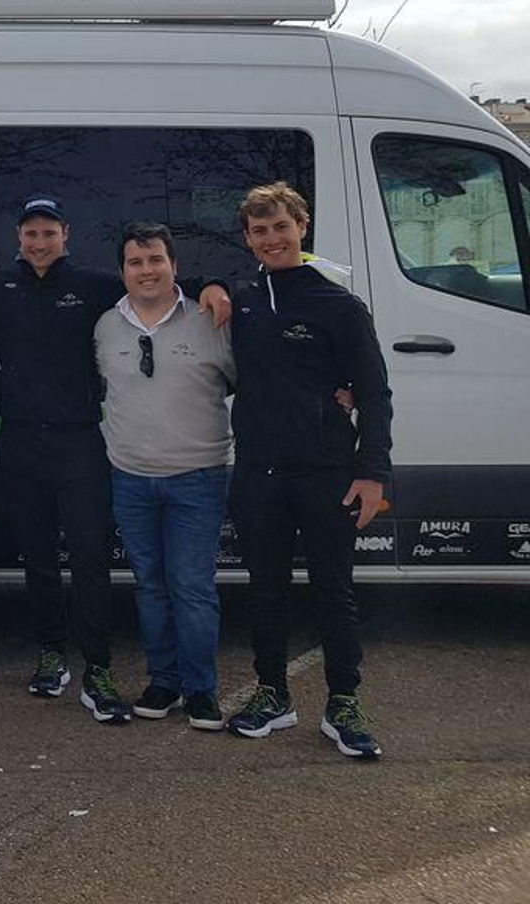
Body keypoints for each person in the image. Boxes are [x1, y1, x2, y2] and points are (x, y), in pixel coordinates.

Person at [0, 195, 229, 725]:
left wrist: (214, 283)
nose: (40, 242)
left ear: (65, 233)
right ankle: (51, 654)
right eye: (30, 233)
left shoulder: (94, 286)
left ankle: (98, 667)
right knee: (39, 559)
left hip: (81, 445)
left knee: (91, 559)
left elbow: (156, 287)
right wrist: (6, 390)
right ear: (18, 238)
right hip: (21, 442)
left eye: (49, 232)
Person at [223, 182, 393, 758]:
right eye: (259, 230)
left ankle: (343, 701)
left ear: (302, 227)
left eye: (280, 227)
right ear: (247, 239)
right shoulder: (242, 298)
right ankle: (272, 693)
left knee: (333, 592)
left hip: (327, 471)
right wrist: (215, 288)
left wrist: (372, 473)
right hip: (258, 472)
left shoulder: (339, 305)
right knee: (265, 590)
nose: (271, 238)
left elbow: (372, 393)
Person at [94, 223, 235, 731]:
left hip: (196, 477)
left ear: (174, 265)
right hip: (130, 477)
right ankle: (164, 681)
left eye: (155, 260)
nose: (146, 270)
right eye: (136, 262)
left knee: (192, 586)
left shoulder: (210, 318)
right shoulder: (106, 325)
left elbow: (255, 381)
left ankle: (202, 690)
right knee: (150, 586)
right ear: (123, 270)